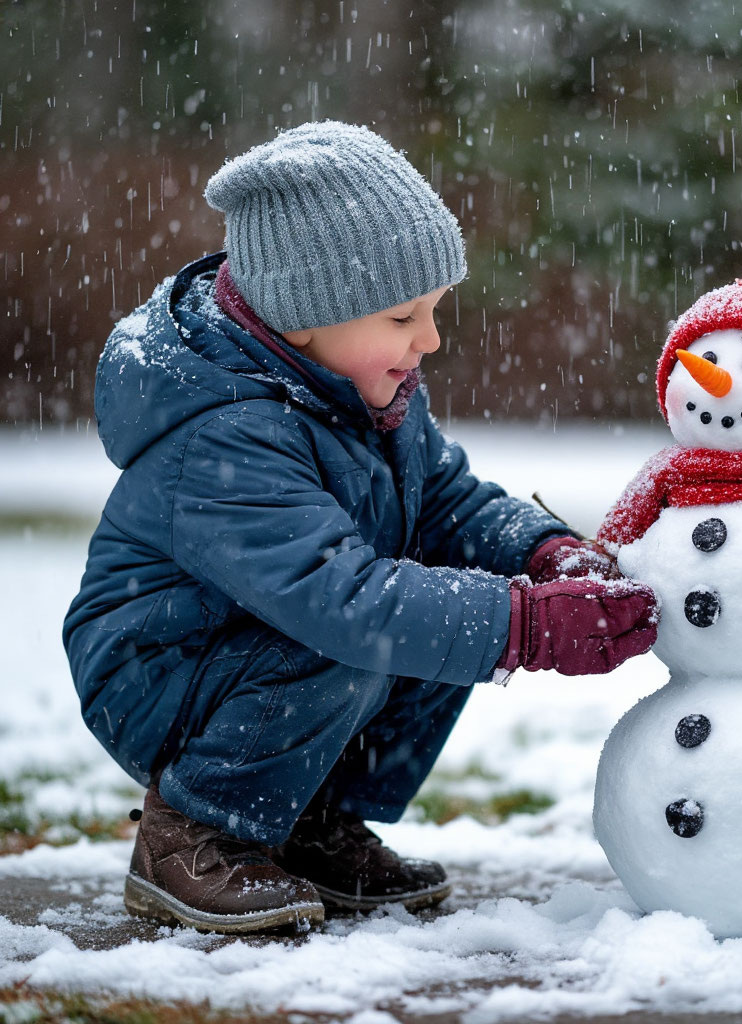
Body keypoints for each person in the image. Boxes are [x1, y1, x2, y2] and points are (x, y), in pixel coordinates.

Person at [63, 121, 658, 935]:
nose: (431, 340)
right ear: (305, 317)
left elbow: (448, 502)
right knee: (387, 626)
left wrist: (544, 554)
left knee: (443, 612)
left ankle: (308, 820)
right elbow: (332, 596)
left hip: (259, 643)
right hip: (164, 668)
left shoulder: (365, 394)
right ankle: (195, 832)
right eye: (405, 316)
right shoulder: (227, 434)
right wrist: (524, 626)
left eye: (436, 310)